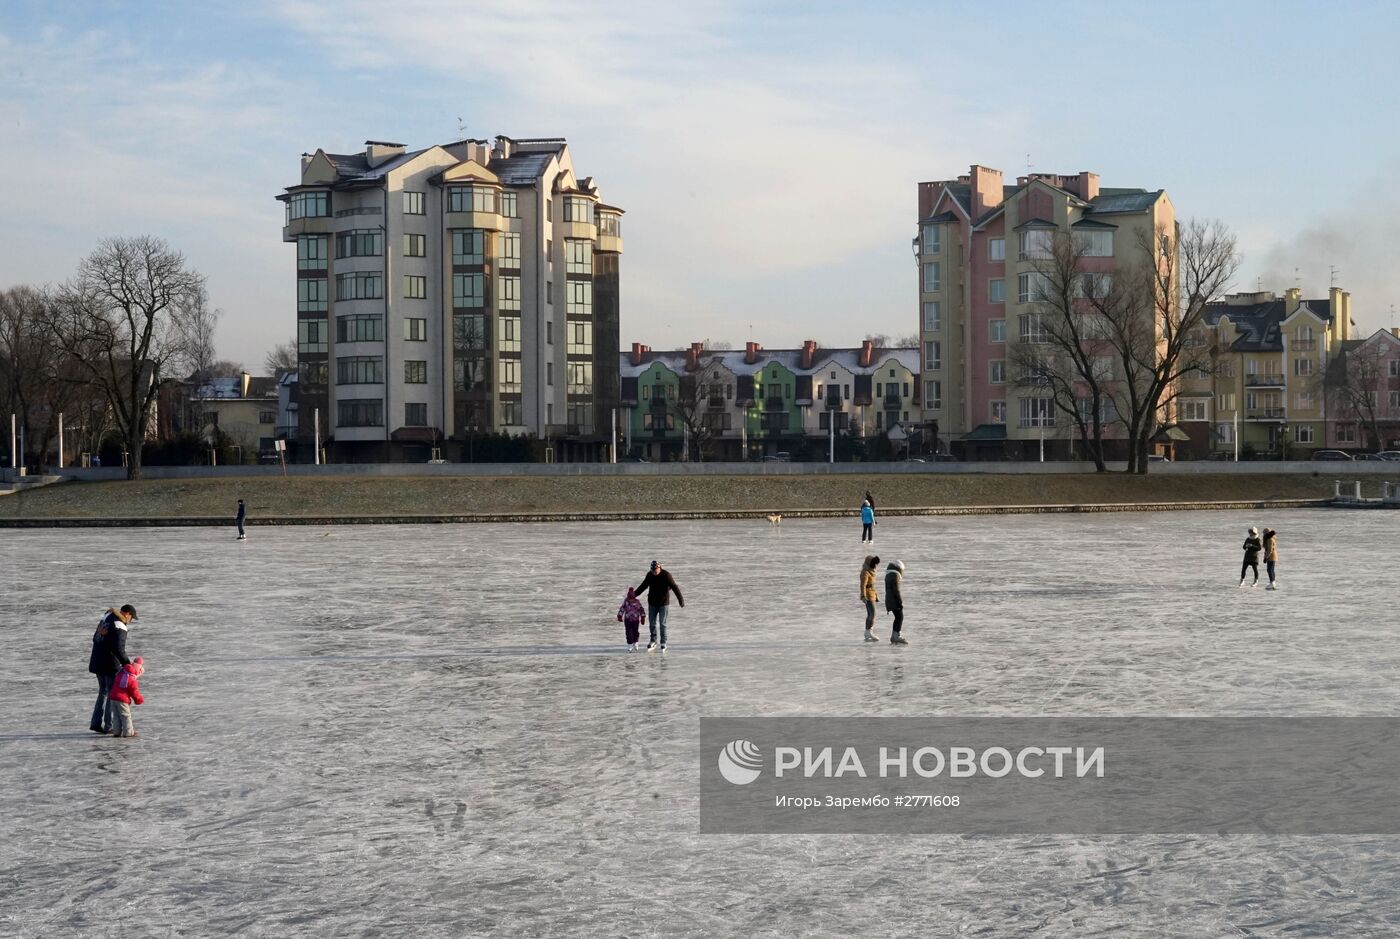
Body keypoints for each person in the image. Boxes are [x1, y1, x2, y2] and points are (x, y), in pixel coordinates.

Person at [87, 604, 137, 734]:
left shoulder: (106, 619)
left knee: (103, 691)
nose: (130, 621)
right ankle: (108, 725)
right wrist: (127, 664)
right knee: (111, 693)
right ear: (127, 614)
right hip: (109, 664)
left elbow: (95, 638)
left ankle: (96, 722)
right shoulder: (120, 626)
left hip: (97, 661)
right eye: (131, 618)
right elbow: (118, 648)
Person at [635, 560, 684, 653]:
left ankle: (663, 642)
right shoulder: (650, 575)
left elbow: (674, 587)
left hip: (663, 603)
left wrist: (680, 600)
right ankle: (653, 640)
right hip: (652, 603)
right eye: (652, 570)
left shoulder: (666, 575)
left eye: (655, 570)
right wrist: (633, 595)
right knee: (652, 623)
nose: (654, 572)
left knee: (662, 623)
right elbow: (643, 586)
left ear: (659, 567)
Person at [108, 657, 146, 738]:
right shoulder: (132, 679)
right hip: (122, 700)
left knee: (116, 715)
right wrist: (140, 700)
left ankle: (116, 732)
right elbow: (135, 693)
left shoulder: (122, 672)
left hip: (113, 697)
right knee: (126, 716)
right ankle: (128, 733)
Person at [884, 560, 907, 644]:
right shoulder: (895, 575)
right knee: (899, 617)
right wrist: (900, 602)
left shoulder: (889, 574)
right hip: (893, 600)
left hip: (889, 600)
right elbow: (896, 590)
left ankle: (895, 635)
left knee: (898, 617)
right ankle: (896, 636)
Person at [617, 587, 646, 652]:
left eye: (631, 599)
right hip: (627, 620)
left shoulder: (637, 602)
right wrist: (619, 615)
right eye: (629, 598)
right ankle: (630, 644)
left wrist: (643, 617)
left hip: (636, 620)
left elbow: (641, 609)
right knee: (628, 633)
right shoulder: (626, 601)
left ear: (634, 598)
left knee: (635, 632)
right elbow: (622, 608)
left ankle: (636, 642)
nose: (630, 600)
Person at [860, 555, 881, 642]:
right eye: (874, 564)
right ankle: (869, 632)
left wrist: (876, 595)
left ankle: (867, 632)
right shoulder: (865, 572)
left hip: (872, 594)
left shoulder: (871, 571)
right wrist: (863, 596)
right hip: (868, 595)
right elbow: (863, 585)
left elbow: (872, 585)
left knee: (870, 614)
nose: (876, 566)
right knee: (872, 614)